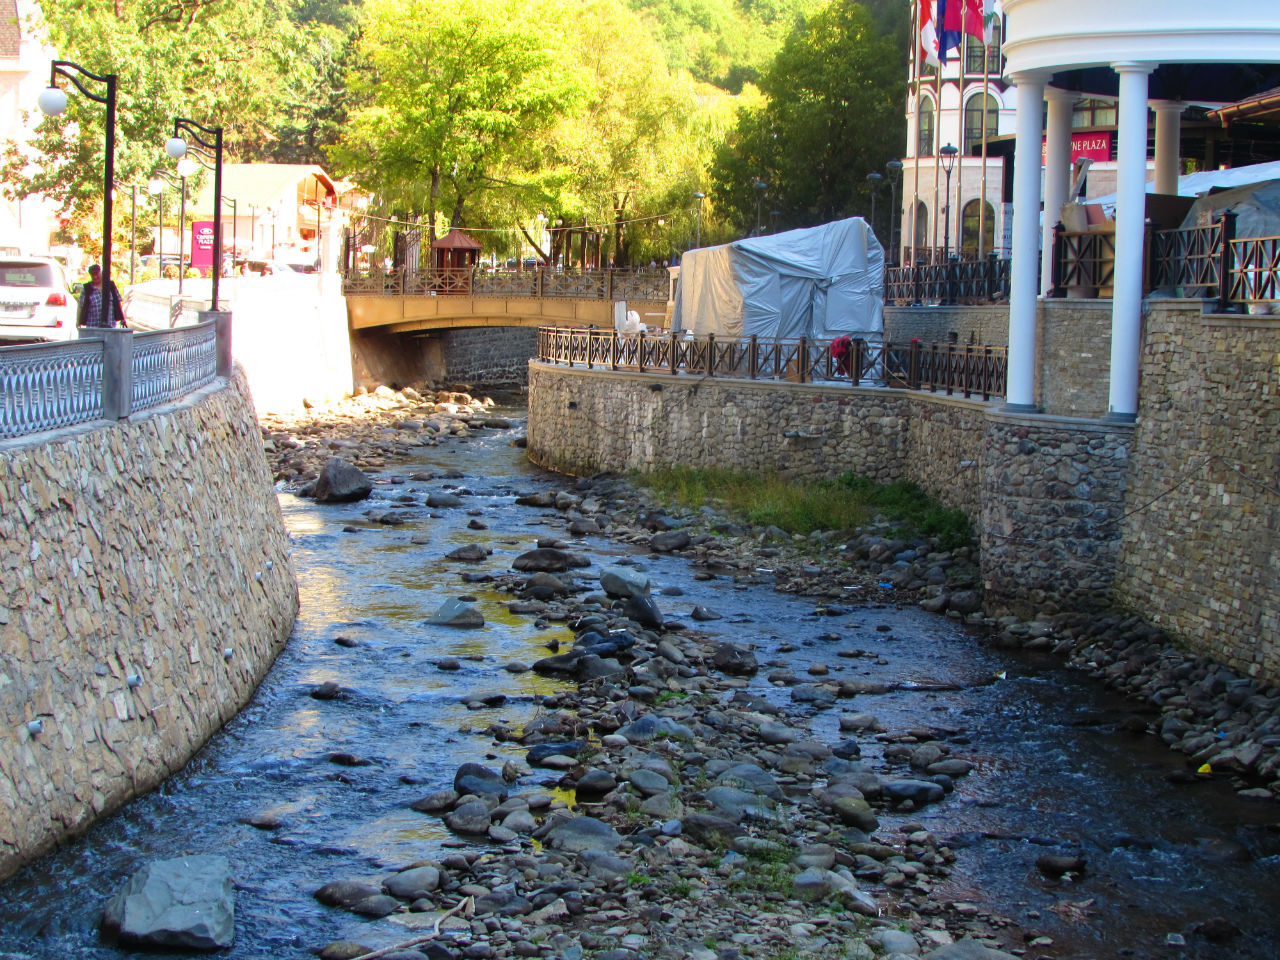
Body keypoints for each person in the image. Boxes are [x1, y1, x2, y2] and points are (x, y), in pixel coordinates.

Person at [76, 264, 126, 328]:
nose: (95, 277)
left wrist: (122, 318)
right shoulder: (87, 289)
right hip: (92, 326)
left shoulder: (110, 286)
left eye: (96, 274)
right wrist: (78, 322)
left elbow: (118, 302)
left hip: (110, 326)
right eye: (93, 275)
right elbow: (80, 306)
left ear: (101, 273)